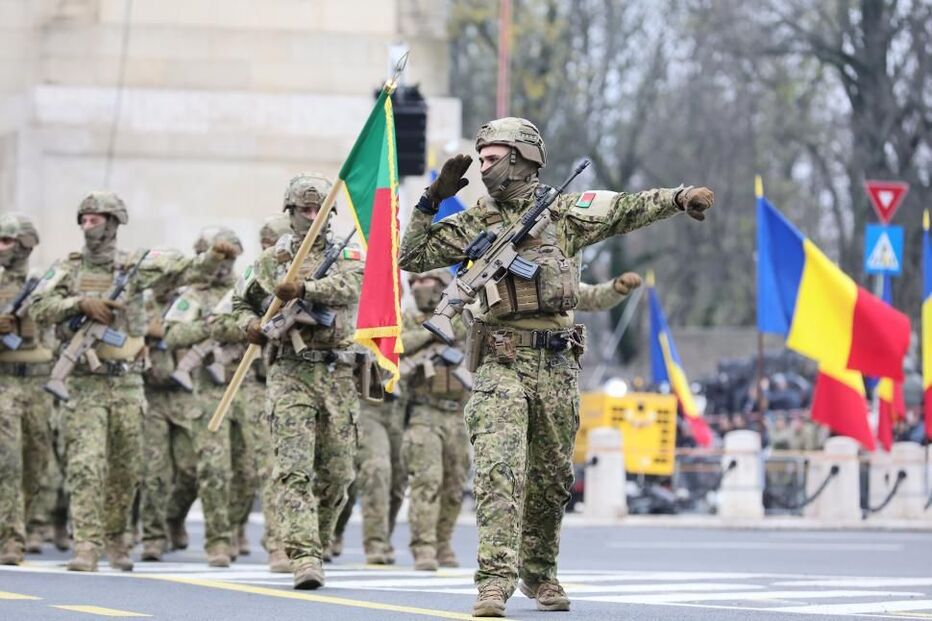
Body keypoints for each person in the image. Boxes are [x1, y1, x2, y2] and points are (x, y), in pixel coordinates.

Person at [398, 117, 713, 616]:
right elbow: (411, 255)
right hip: (500, 361)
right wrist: (431, 200)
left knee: (551, 478)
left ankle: (540, 573)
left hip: (557, 363)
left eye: (492, 158)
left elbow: (624, 209)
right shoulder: (476, 221)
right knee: (499, 471)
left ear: (522, 159)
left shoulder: (564, 214)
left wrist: (678, 197)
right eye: (481, 159)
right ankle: (493, 582)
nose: (483, 167)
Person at [31, 191, 238, 572]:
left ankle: (117, 538)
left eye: (95, 218)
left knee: (126, 469)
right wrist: (78, 304)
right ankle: (87, 544)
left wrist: (213, 257)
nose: (88, 225)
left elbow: (185, 273)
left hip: (127, 384)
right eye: (84, 219)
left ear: (113, 223)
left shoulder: (135, 267)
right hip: (85, 384)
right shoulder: (68, 268)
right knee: (85, 464)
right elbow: (38, 306)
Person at [233, 173, 363, 589]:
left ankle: (317, 541)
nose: (312, 216)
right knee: (293, 469)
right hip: (290, 372)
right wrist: (251, 325)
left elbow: (351, 287)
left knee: (338, 474)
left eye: (319, 209)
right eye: (305, 209)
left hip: (338, 372)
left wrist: (304, 287)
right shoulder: (270, 261)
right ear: (290, 212)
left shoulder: (349, 253)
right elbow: (239, 302)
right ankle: (304, 555)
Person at [160, 227, 245, 567]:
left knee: (248, 471)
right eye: (217, 257)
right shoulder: (193, 296)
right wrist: (210, 328)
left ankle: (234, 527)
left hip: (245, 386)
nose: (223, 265)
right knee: (211, 468)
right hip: (206, 391)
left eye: (229, 258)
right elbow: (172, 334)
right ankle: (217, 540)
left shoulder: (245, 290)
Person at [0, 213, 53, 565]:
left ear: (25, 244)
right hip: (4, 380)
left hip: (39, 383)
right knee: (8, 462)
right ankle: (11, 538)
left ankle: (21, 521)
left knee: (36, 463)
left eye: (6, 241)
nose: (1, 248)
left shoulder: (45, 284)